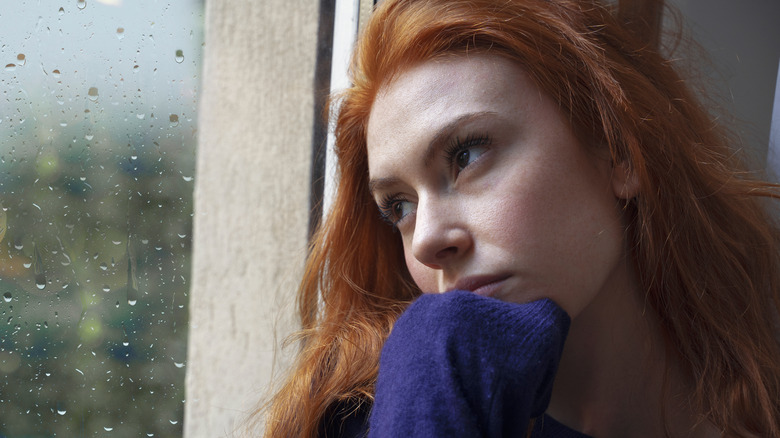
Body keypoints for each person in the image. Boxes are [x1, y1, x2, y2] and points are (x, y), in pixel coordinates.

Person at [259, 0, 780, 436]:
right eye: (399, 206)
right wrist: (437, 362)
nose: (426, 242)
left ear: (618, 149)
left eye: (466, 155)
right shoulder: (383, 415)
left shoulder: (761, 398)